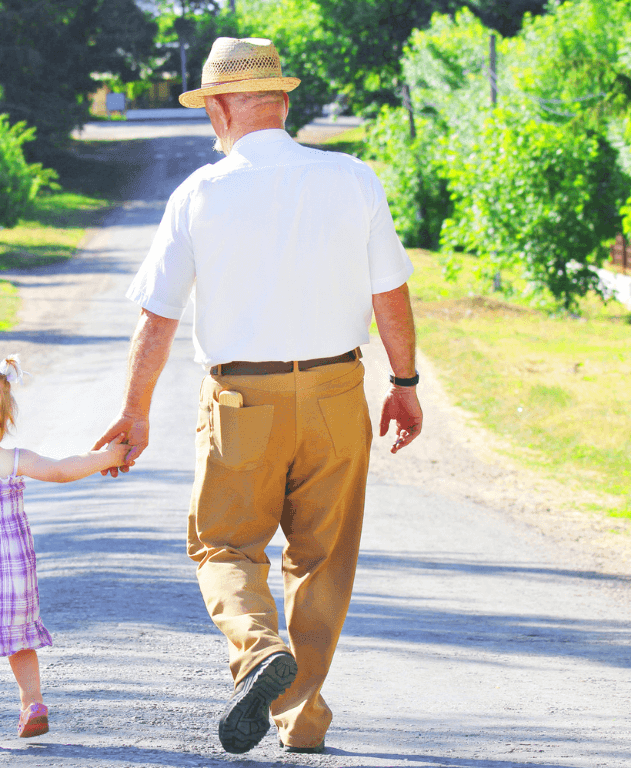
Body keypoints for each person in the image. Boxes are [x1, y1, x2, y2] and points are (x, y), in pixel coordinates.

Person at [93, 38, 423, 755]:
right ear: (282, 100)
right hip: (337, 389)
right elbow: (390, 292)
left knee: (225, 543)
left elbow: (158, 318)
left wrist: (134, 412)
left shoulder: (200, 194)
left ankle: (257, 648)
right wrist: (404, 383)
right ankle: (299, 718)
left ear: (218, 108)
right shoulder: (353, 178)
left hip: (242, 399)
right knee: (323, 556)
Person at [0, 356, 129, 751]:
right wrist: (108, 457)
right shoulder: (17, 462)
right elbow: (65, 469)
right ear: (6, 416)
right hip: (13, 576)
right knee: (21, 641)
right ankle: (32, 703)